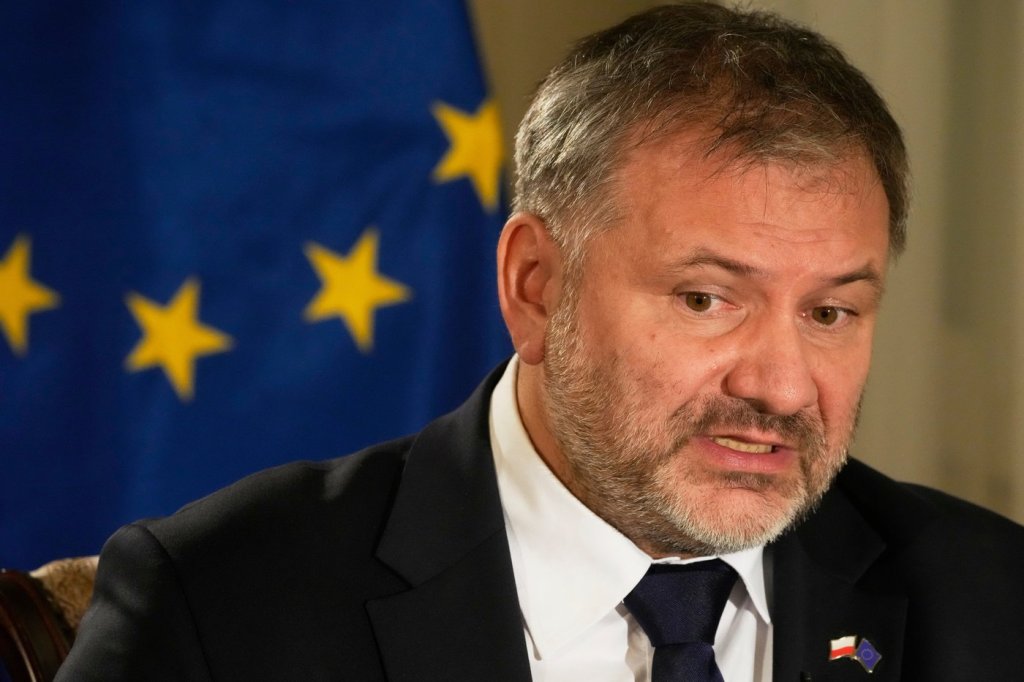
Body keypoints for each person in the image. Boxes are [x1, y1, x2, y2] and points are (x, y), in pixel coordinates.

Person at [57, 3, 1024, 681]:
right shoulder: (225, 605)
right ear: (535, 285)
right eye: (706, 299)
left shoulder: (990, 600)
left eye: (830, 314)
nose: (781, 386)